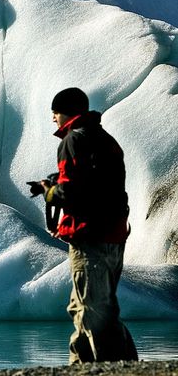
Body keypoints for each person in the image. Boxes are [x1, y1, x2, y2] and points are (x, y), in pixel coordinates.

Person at [40, 87, 138, 364]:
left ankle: (98, 367)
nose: (53, 119)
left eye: (55, 113)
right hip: (113, 235)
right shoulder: (106, 140)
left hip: (89, 235)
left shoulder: (73, 140)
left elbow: (71, 190)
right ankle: (109, 366)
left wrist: (49, 191)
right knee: (98, 306)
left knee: (89, 308)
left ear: (64, 113)